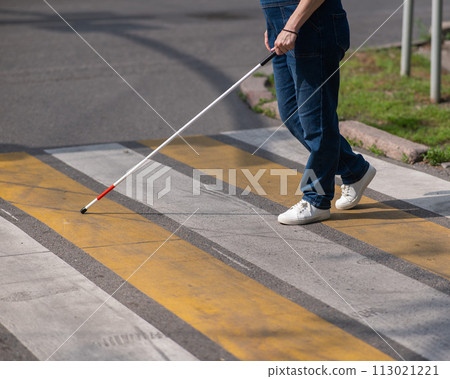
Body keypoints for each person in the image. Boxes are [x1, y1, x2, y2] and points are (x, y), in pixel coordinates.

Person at [261, 0, 376, 225]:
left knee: (317, 120)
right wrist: (273, 23)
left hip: (313, 30)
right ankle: (354, 169)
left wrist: (290, 26)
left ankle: (317, 199)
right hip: (283, 28)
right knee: (292, 114)